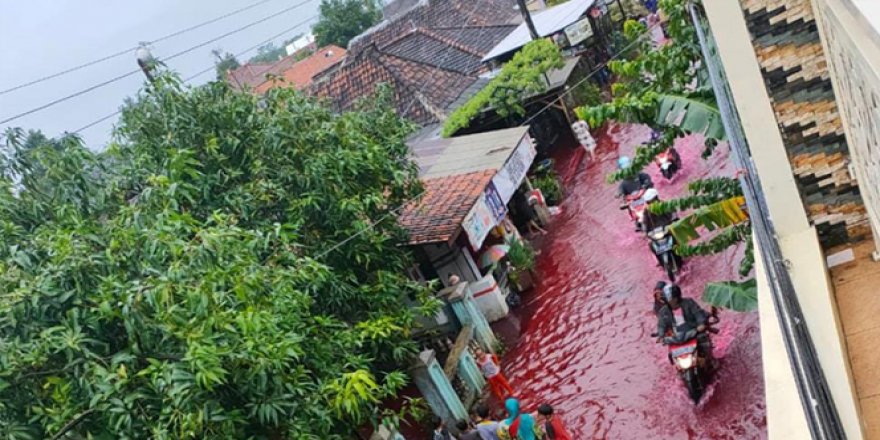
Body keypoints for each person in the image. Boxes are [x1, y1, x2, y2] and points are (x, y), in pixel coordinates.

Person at [655, 284, 713, 360]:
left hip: (693, 331)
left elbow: (698, 313)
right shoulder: (663, 312)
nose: (669, 301)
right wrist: (661, 335)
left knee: (703, 342)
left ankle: (709, 360)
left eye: (671, 299)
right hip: (677, 337)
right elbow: (661, 325)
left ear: (676, 298)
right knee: (670, 354)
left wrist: (701, 324)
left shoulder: (689, 302)